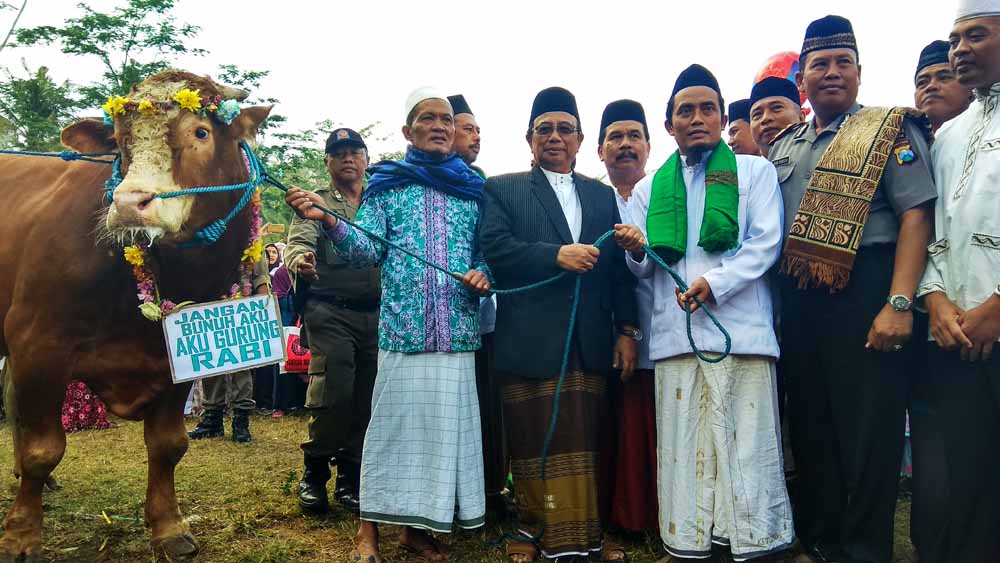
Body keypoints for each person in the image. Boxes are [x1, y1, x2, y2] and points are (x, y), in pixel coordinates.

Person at [286, 88, 490, 562]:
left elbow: (486, 252)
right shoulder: (388, 183)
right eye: (427, 119)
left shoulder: (473, 189)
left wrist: (486, 275)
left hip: (456, 332)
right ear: (407, 132)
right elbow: (364, 249)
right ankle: (368, 531)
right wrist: (329, 222)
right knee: (388, 432)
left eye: (446, 118)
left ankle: (416, 531)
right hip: (403, 331)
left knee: (439, 438)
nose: (439, 126)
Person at [767, 15, 936, 563]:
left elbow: (916, 216)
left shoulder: (889, 129)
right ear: (803, 81)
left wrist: (899, 303)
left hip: (868, 293)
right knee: (811, 425)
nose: (832, 73)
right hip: (799, 300)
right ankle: (821, 540)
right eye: (820, 64)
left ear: (859, 73)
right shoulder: (785, 144)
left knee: (869, 432)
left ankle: (864, 550)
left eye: (843, 63)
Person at [624, 64, 793, 562]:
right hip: (676, 338)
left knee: (744, 447)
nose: (696, 118)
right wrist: (635, 249)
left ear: (721, 117)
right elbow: (640, 270)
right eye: (685, 111)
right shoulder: (649, 190)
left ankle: (757, 544)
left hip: (739, 332)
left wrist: (713, 284)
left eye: (706, 109)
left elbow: (766, 244)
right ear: (669, 123)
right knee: (685, 450)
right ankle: (689, 543)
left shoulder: (753, 171)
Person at [480, 86, 638, 562]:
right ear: (529, 138)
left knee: (589, 440)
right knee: (532, 439)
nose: (554, 137)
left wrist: (627, 332)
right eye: (544, 129)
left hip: (589, 339)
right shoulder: (503, 188)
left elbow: (615, 274)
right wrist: (556, 255)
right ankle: (529, 533)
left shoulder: (601, 195)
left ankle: (591, 535)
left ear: (580, 138)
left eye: (564, 129)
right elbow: (496, 249)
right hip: (529, 339)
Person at [917, 3, 1000, 561]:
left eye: (976, 35)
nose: (960, 50)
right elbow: (936, 233)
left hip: (993, 317)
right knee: (967, 475)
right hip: (959, 335)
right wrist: (937, 300)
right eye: (954, 40)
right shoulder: (950, 136)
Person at [284, 128, 381, 514]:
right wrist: (300, 261)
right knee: (334, 392)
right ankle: (314, 472)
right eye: (338, 153)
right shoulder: (317, 202)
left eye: (354, 151)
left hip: (377, 312)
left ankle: (351, 477)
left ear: (366, 158)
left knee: (368, 396)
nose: (347, 158)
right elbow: (300, 240)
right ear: (327, 162)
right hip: (329, 310)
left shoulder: (381, 200)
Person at [595, 98, 658, 533]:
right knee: (608, 422)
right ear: (599, 150)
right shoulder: (590, 199)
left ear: (649, 146)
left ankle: (654, 516)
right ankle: (611, 515)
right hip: (603, 330)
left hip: (663, 325)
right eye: (615, 137)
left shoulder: (668, 192)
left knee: (652, 425)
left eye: (634, 135)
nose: (625, 144)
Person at [448, 93, 507, 516]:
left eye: (478, 131)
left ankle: (486, 492)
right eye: (468, 128)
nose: (476, 138)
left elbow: (491, 245)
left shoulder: (482, 185)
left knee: (487, 410)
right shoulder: (409, 183)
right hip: (435, 323)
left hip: (483, 319)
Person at [187, 255, 270, 443]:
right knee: (211, 362)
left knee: (242, 365)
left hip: (242, 306)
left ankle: (241, 421)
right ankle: (212, 419)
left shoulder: (247, 231)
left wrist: (263, 298)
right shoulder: (204, 234)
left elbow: (260, 275)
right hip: (209, 306)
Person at [914, 39, 973, 133]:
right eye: (922, 83)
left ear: (971, 90)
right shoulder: (902, 144)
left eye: (944, 77)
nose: (931, 86)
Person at [748, 77, 805, 158]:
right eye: (757, 114)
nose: (766, 118)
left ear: (801, 117)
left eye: (776, 108)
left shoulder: (824, 158)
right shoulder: (743, 169)